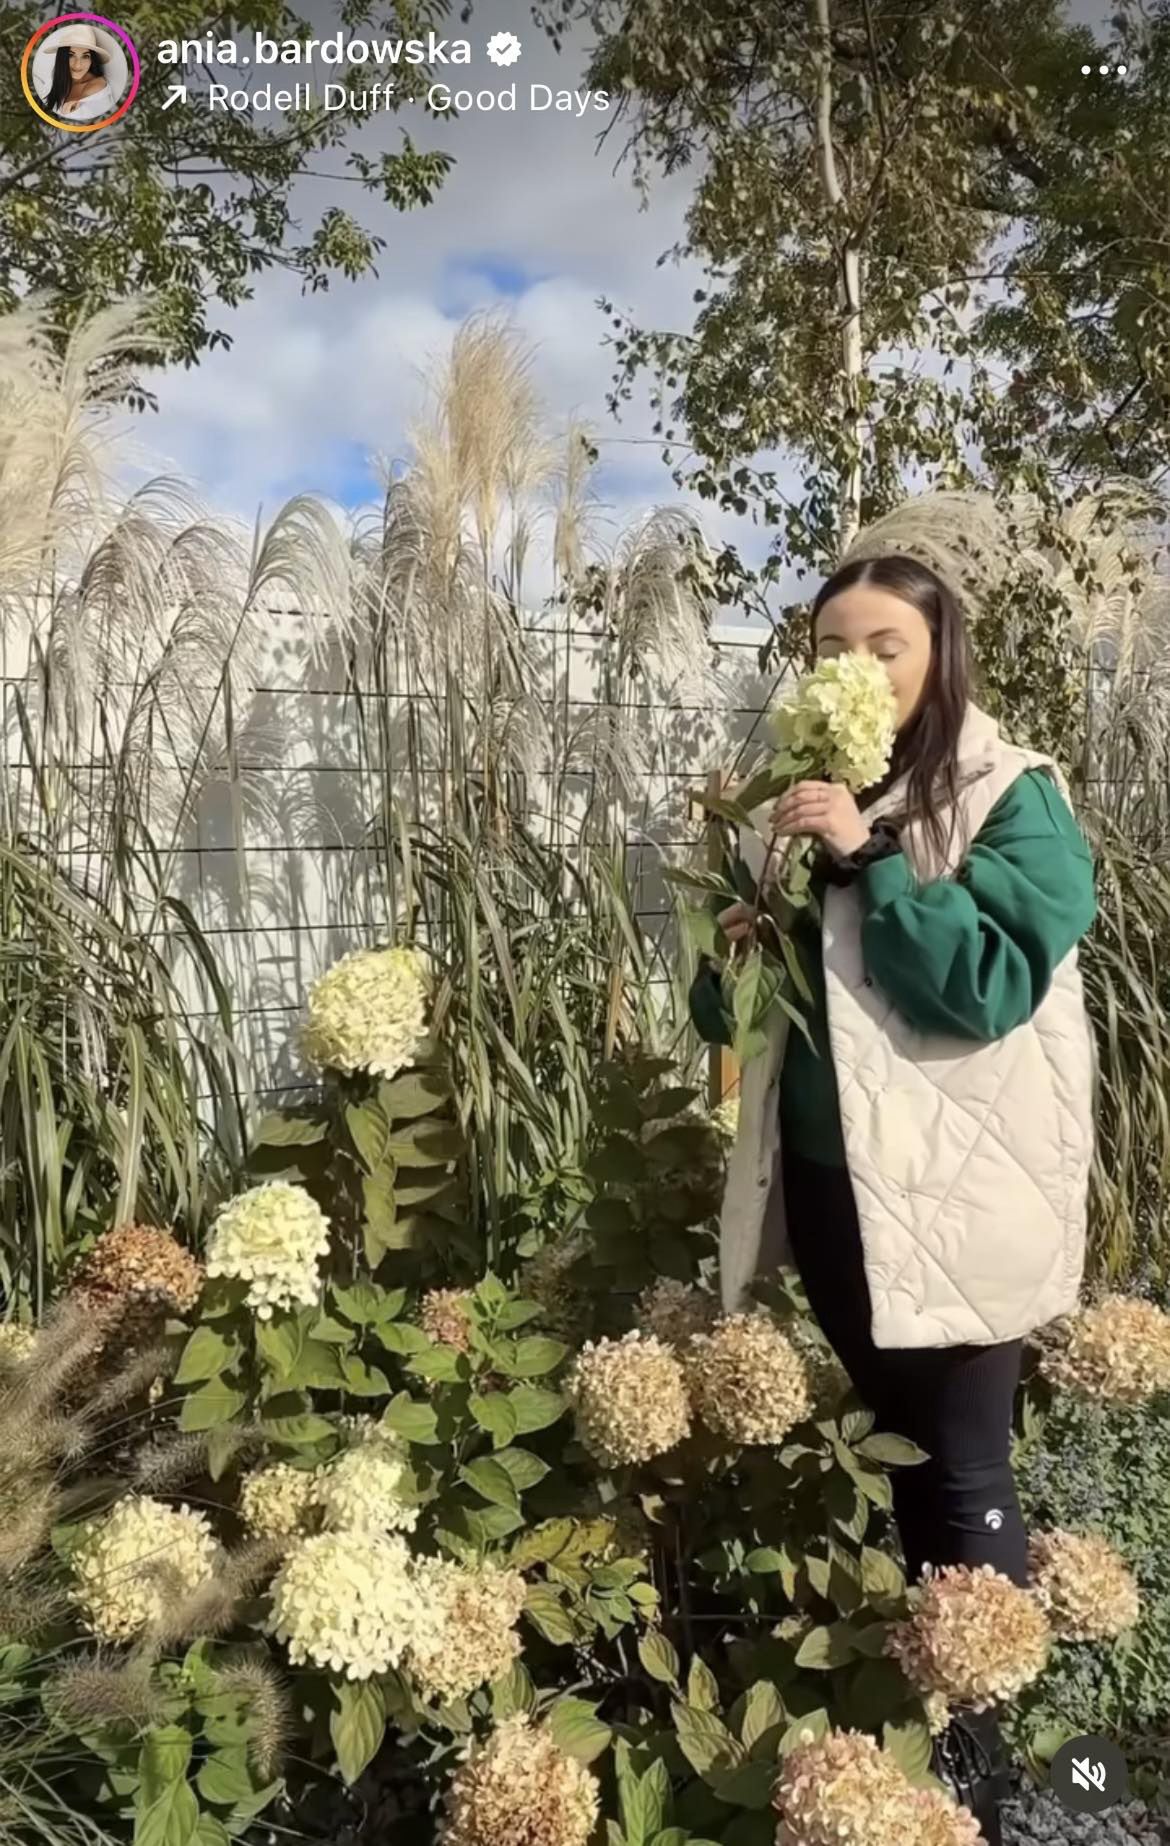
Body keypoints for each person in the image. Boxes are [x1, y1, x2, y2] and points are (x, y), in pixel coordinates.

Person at [689, 551, 1097, 1844]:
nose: (855, 668)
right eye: (831, 646)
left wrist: (866, 858)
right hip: (827, 1193)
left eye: (884, 645)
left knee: (966, 1467)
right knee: (903, 1464)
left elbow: (980, 984)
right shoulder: (807, 799)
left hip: (959, 1198)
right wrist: (734, 919)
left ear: (937, 658)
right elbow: (725, 1013)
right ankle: (933, 1746)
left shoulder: (1008, 795)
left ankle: (1005, 1769)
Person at [40, 26, 114, 123]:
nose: (77, 64)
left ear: (92, 59)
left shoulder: (98, 86)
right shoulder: (52, 82)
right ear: (62, 58)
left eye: (85, 56)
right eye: (71, 55)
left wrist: (69, 110)